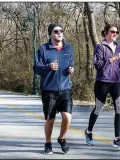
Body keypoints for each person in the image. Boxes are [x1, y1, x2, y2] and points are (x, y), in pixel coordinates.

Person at [84, 23, 120, 149]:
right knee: (98, 108)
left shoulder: (118, 46)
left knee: (119, 108)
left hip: (115, 82)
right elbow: (98, 65)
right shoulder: (100, 46)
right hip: (102, 82)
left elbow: (115, 66)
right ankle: (88, 132)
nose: (115, 34)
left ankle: (117, 139)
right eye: (112, 31)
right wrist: (115, 58)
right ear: (106, 32)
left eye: (116, 32)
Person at [34, 23, 74, 154]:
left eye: (61, 31)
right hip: (49, 90)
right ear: (50, 34)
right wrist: (48, 67)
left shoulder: (68, 48)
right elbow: (36, 68)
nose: (59, 33)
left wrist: (71, 69)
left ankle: (61, 139)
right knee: (50, 120)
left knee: (67, 117)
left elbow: (71, 63)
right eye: (56, 31)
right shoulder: (43, 49)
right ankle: (48, 143)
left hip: (65, 88)